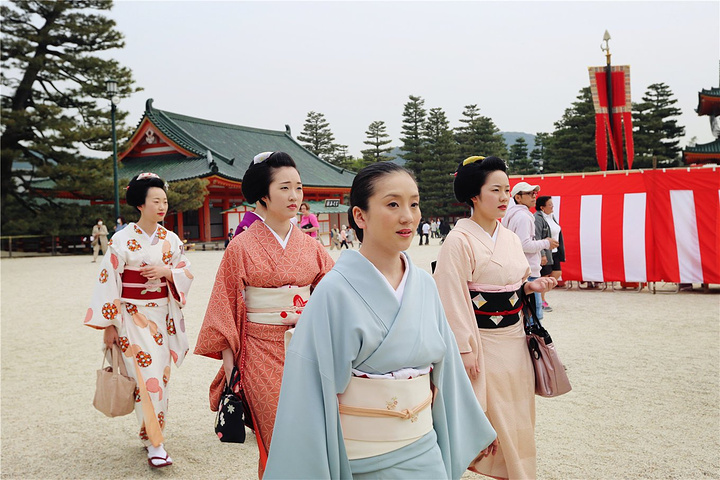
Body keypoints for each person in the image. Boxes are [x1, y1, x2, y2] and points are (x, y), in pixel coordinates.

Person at [264, 162, 496, 480]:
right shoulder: (333, 291)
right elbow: (307, 389)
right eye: (392, 204)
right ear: (360, 216)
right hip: (364, 459)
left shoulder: (424, 285)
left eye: (413, 203)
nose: (408, 216)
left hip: (425, 449)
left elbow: (449, 371)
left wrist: (472, 428)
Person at [194, 151, 334, 478]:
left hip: (308, 349)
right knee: (276, 434)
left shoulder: (311, 246)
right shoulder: (240, 247)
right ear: (262, 195)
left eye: (298, 188)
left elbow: (333, 296)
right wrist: (230, 370)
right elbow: (224, 306)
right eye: (284, 188)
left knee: (314, 433)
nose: (295, 196)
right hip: (260, 351)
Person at [434, 156, 558, 479]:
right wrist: (464, 348)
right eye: (496, 190)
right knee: (493, 420)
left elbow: (515, 283)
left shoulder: (510, 238)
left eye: (507, 190)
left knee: (520, 418)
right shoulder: (458, 241)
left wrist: (532, 285)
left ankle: (518, 473)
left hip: (515, 342)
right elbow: (450, 296)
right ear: (474, 195)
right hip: (483, 344)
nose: (504, 197)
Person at [84, 172, 193, 468]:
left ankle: (152, 433)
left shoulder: (169, 239)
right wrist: (109, 325)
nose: (162, 206)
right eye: (155, 200)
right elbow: (108, 281)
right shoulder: (121, 239)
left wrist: (167, 272)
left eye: (165, 201)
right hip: (132, 317)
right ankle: (155, 443)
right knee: (148, 380)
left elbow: (185, 270)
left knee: (161, 378)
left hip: (162, 315)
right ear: (140, 205)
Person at [503, 181, 559, 323]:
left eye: (534, 193)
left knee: (526, 317)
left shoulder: (510, 215)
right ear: (518, 197)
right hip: (528, 272)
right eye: (529, 193)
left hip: (517, 270)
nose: (534, 196)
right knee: (533, 319)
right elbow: (524, 244)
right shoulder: (523, 216)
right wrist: (546, 243)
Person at [535, 196, 565, 312]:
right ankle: (541, 300)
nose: (552, 207)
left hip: (555, 251)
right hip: (545, 251)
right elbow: (537, 236)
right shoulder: (537, 218)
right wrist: (542, 254)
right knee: (544, 276)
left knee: (557, 273)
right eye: (550, 205)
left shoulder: (551, 217)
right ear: (542, 207)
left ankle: (540, 295)